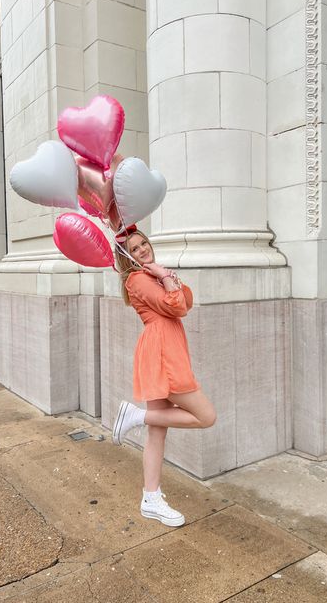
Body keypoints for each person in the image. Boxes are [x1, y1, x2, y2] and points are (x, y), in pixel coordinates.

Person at [112, 225, 217, 527]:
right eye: (134, 249)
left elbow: (187, 299)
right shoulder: (137, 279)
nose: (143, 250)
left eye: (143, 243)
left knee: (158, 431)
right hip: (162, 353)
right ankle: (136, 415)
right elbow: (177, 306)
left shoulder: (149, 275)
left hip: (162, 346)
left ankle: (151, 497)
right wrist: (166, 276)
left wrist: (163, 275)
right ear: (126, 257)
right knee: (206, 416)